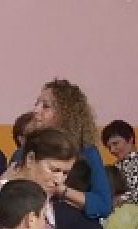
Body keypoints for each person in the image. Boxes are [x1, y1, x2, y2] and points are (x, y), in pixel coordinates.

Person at [28, 80, 112, 219]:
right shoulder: (28, 149)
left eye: (46, 106)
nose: (36, 110)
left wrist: (61, 191)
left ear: (65, 114)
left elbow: (103, 204)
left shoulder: (87, 152)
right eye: (37, 104)